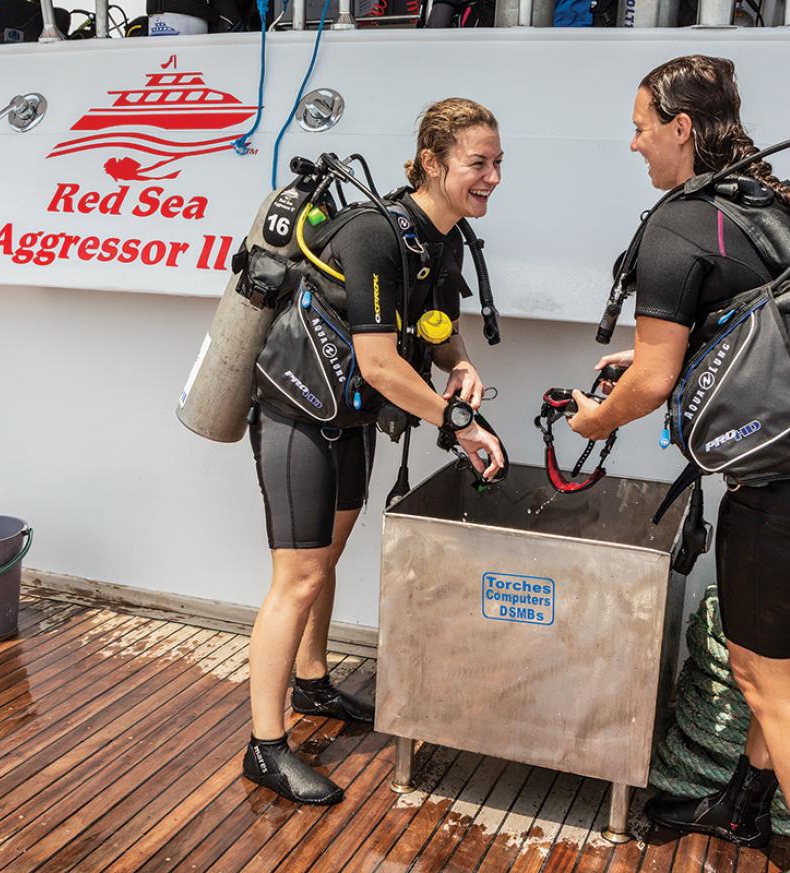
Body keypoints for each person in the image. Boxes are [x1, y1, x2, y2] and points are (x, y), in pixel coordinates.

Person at [567, 56, 790, 873]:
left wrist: (595, 416)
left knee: (771, 687)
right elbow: (755, 325)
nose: (634, 140)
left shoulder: (680, 222)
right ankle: (746, 808)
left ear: (681, 127)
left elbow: (652, 379)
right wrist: (641, 367)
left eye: (642, 123)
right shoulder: (786, 203)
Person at [243, 97, 507, 806]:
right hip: (296, 412)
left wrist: (460, 360)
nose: (492, 177)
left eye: (498, 162)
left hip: (349, 417)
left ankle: (313, 681)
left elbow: (435, 319)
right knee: (296, 577)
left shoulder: (444, 237)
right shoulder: (372, 234)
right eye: (478, 163)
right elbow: (385, 363)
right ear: (432, 162)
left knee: (325, 561)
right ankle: (264, 747)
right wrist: (460, 422)